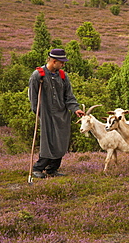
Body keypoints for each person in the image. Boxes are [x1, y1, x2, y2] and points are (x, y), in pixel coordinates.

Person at [28, 48, 85, 178]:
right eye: (61, 62)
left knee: (61, 141)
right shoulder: (38, 75)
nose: (63, 65)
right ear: (54, 61)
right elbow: (33, 97)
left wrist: (75, 108)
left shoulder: (63, 76)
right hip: (46, 114)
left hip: (62, 114)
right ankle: (38, 168)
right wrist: (39, 113)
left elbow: (69, 96)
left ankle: (52, 169)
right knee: (48, 141)